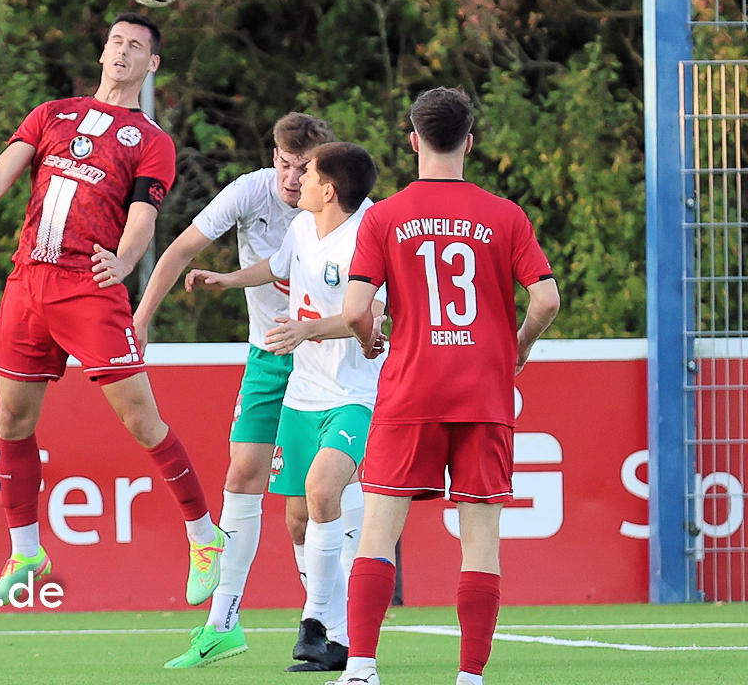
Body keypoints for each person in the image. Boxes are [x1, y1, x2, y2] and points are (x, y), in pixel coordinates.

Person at [0, 12, 224, 609]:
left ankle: (204, 536)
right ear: (102, 52)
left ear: (152, 64)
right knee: (12, 420)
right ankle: (27, 552)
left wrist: (125, 260)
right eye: (116, 42)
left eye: (136, 47)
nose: (122, 52)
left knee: (142, 421)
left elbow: (143, 215)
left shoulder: (151, 140)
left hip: (89, 284)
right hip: (28, 282)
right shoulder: (53, 114)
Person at [331, 87, 560, 685]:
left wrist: (369, 339)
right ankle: (470, 676)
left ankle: (361, 668)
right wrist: (520, 344)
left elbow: (355, 309)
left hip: (411, 390)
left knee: (378, 532)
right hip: (483, 393)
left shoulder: (384, 216)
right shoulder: (505, 215)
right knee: (481, 539)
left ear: (414, 141)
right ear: (469, 143)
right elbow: (546, 298)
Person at [132, 113, 336, 668]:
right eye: (284, 164)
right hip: (268, 356)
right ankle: (222, 623)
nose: (291, 178)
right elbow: (180, 249)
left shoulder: (341, 206)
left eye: (303, 168)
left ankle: (328, 623)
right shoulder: (251, 192)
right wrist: (142, 319)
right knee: (241, 475)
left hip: (324, 361)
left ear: (322, 167)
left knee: (303, 509)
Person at [186, 143, 387, 672]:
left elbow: (370, 313)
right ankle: (337, 638)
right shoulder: (300, 228)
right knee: (298, 517)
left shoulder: (366, 237)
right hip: (302, 394)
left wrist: (307, 330)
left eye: (309, 173)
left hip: (352, 394)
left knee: (322, 490)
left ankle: (316, 622)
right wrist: (226, 280)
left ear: (329, 190)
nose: (297, 181)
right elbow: (274, 268)